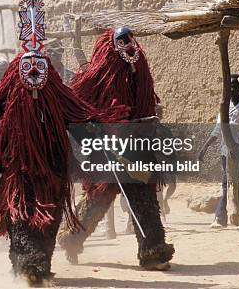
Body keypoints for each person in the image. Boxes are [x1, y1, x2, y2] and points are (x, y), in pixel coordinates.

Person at [0, 52, 129, 285]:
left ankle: (38, 264)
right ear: (17, 70)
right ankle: (27, 265)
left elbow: (80, 117)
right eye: (28, 66)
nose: (34, 71)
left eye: (39, 66)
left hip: (52, 173)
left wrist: (95, 130)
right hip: (18, 173)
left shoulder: (59, 99)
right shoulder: (4, 102)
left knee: (48, 221)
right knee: (20, 218)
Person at [57, 27, 174, 271]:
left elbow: (147, 104)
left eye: (128, 39)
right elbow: (77, 108)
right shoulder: (95, 77)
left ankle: (153, 250)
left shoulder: (140, 71)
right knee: (99, 196)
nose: (127, 44)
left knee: (143, 196)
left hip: (137, 144)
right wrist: (94, 127)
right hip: (108, 147)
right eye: (120, 41)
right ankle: (71, 238)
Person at [198, 74, 239, 228]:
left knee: (228, 182)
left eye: (234, 85)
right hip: (225, 150)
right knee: (233, 183)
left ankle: (220, 217)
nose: (231, 88)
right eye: (229, 86)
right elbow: (218, 130)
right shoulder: (224, 106)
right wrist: (204, 148)